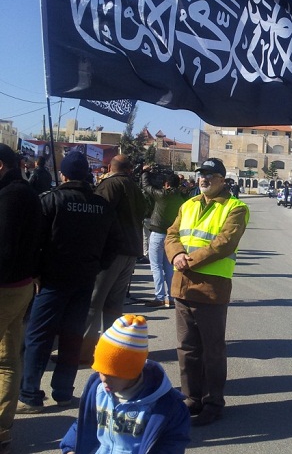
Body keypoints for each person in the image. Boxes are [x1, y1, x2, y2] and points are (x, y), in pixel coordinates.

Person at [17, 151, 118, 414]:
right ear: (86, 175)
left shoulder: (50, 200)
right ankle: (63, 393)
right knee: (72, 338)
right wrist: (95, 266)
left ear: (63, 175)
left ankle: (30, 395)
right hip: (84, 279)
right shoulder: (102, 205)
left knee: (38, 337)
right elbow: (113, 245)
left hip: (52, 280)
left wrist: (35, 273)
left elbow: (34, 241)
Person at [165, 158, 249, 426]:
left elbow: (224, 243)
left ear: (222, 180)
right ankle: (192, 398)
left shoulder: (236, 208)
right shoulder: (188, 204)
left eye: (210, 175)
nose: (204, 178)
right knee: (186, 348)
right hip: (182, 285)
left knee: (212, 350)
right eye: (201, 174)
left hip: (211, 288)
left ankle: (213, 402)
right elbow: (171, 234)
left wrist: (187, 261)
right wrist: (176, 254)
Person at [60, 315, 190, 454]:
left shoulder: (165, 405)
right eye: (100, 371)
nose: (104, 379)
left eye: (113, 375)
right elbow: (84, 423)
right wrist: (71, 448)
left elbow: (173, 442)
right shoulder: (97, 390)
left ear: (132, 373)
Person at [81, 155, 147, 365]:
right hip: (130, 251)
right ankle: (111, 351)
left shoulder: (110, 185)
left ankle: (85, 351)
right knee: (114, 306)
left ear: (110, 167)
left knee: (94, 302)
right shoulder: (135, 187)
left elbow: (98, 215)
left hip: (112, 252)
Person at [0, 144, 42, 454]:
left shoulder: (9, 196)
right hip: (22, 285)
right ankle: (2, 429)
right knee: (7, 360)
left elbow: (4, 248)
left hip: (5, 287)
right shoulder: (27, 192)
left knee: (8, 360)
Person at [141, 169, 186, 308]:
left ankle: (159, 296)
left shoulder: (162, 195)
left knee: (156, 266)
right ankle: (171, 297)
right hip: (172, 235)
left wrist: (145, 172)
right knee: (168, 267)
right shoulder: (181, 197)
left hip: (158, 233)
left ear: (166, 184)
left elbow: (146, 187)